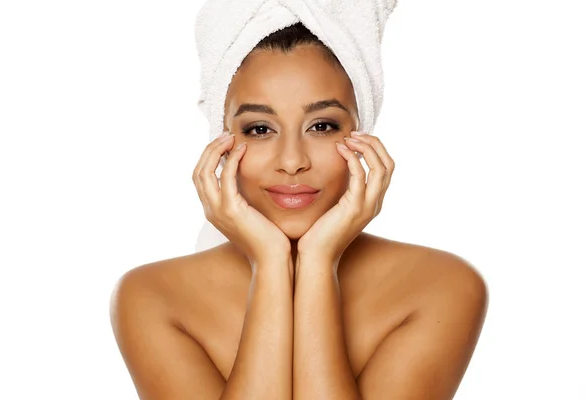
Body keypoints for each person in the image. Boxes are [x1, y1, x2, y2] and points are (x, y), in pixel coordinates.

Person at [110, 22, 488, 399]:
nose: (292, 162)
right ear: (220, 144)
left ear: (363, 136)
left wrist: (319, 261)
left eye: (322, 125)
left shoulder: (440, 286)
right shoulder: (152, 296)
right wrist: (271, 262)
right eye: (259, 129)